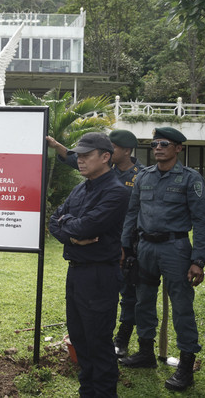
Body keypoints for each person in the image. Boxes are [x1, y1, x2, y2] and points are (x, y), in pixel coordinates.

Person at [120, 127, 205, 392]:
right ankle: (146, 352)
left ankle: (185, 366)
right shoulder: (143, 177)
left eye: (164, 144)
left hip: (176, 249)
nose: (158, 148)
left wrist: (199, 260)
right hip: (145, 247)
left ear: (178, 148)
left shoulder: (189, 179)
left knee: (182, 307)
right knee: (143, 300)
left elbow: (201, 222)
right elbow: (132, 213)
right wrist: (126, 245)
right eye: (155, 144)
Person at [47, 130, 144, 357]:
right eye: (78, 155)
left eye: (86, 155)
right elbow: (54, 222)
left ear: (105, 157)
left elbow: (85, 227)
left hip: (99, 275)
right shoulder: (81, 188)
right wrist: (72, 236)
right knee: (79, 339)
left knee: (98, 342)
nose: (80, 160)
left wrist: (68, 223)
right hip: (76, 271)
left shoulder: (116, 192)